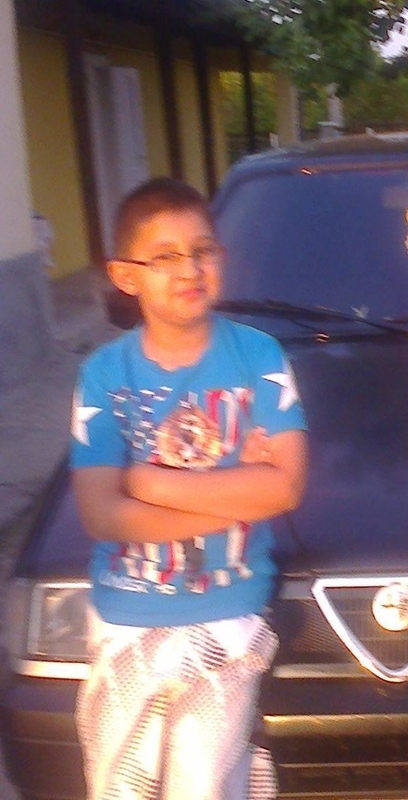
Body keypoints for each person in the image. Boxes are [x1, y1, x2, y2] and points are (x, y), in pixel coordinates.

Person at [69, 177, 308, 800]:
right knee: (119, 788)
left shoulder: (259, 357)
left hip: (227, 619)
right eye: (165, 256)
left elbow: (285, 488)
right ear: (126, 276)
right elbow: (102, 514)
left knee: (206, 787)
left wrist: (145, 480)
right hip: (127, 621)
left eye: (203, 251)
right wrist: (237, 494)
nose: (189, 269)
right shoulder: (104, 375)